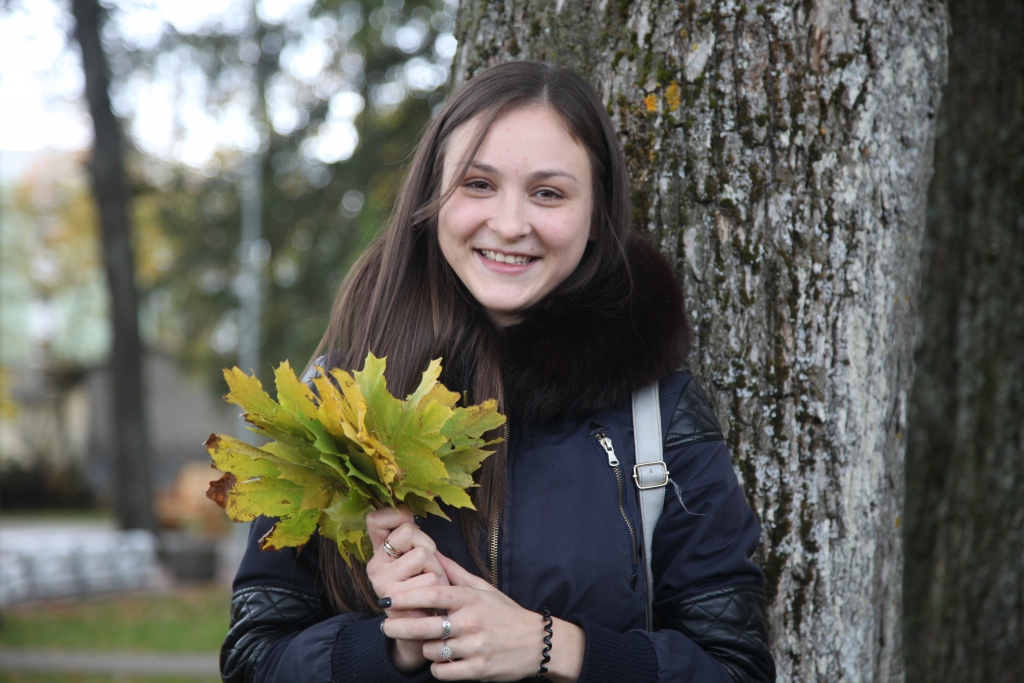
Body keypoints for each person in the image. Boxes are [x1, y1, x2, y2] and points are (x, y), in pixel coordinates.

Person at [220, 60, 775, 683]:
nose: (510, 224)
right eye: (478, 184)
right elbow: (253, 660)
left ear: (596, 218)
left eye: (548, 193)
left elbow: (736, 669)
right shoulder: (338, 401)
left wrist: (553, 647)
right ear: (434, 198)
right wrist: (394, 647)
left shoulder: (656, 413)